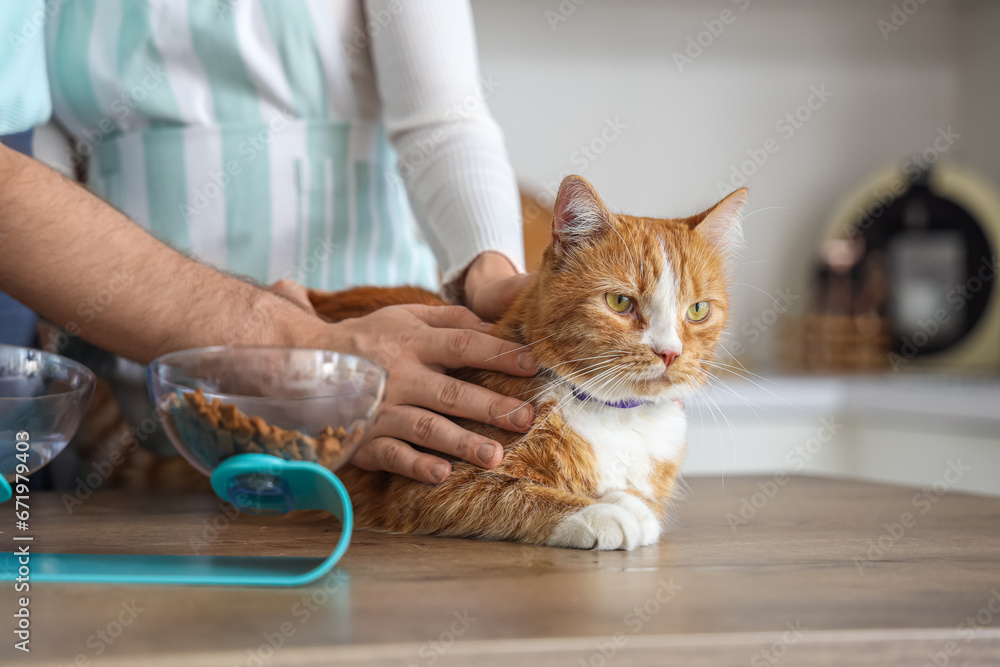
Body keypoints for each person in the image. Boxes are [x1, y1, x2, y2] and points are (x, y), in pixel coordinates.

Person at [0, 1, 538, 485]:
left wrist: (486, 268)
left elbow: (442, 123)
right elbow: (42, 158)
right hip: (138, 382)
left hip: (362, 366)